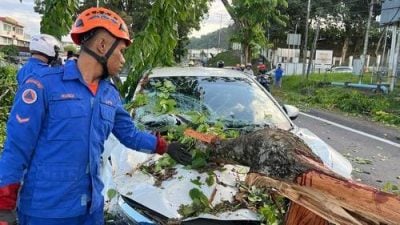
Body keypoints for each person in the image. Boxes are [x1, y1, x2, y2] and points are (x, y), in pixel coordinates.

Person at [0, 7, 187, 225]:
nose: (123, 60)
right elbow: (16, 148)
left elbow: (130, 135)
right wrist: (4, 206)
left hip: (91, 210)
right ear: (102, 46)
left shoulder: (110, 95)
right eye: (121, 51)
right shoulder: (43, 86)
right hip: (46, 212)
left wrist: (164, 147)